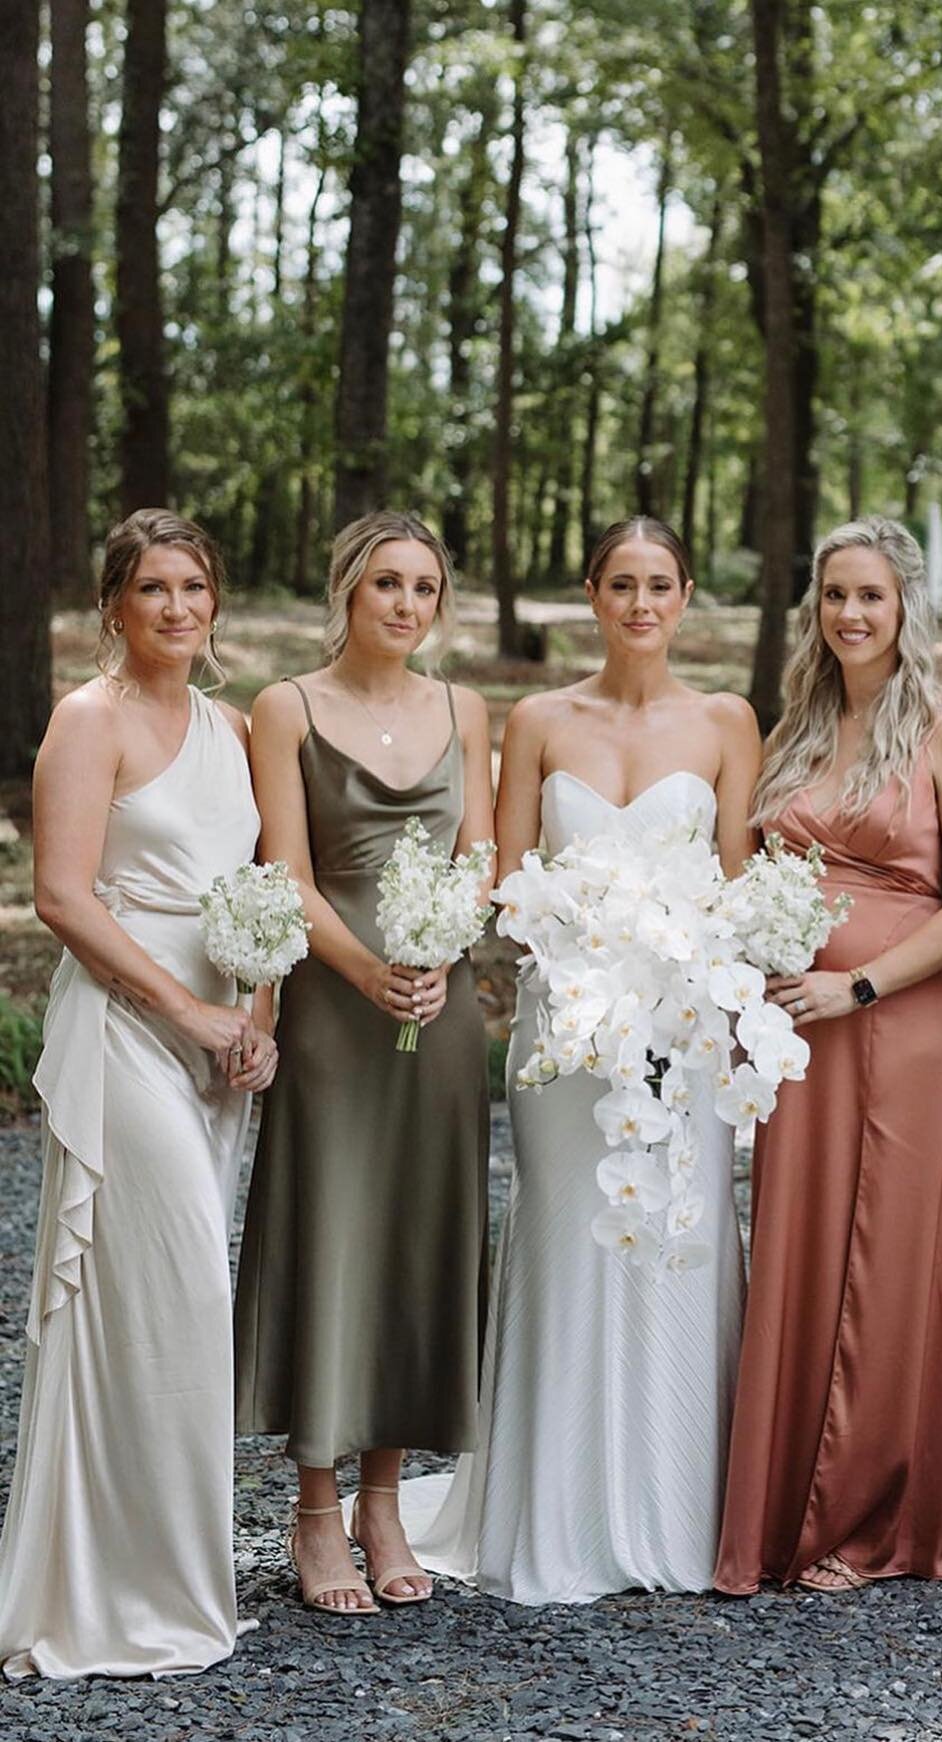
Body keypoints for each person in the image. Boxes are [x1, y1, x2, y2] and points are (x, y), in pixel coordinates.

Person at [395, 515, 761, 1604]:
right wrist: (571, 927)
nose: (640, 604)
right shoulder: (542, 718)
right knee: (567, 1232)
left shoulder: (727, 720)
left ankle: (676, 1502)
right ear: (592, 595)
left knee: (676, 1232)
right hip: (567, 1024)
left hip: (682, 1024)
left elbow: (736, 879)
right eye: (620, 584)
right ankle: (549, 1508)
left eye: (659, 584)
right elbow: (506, 874)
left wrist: (685, 949)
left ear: (685, 594)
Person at [714, 515, 942, 1595]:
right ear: (816, 607)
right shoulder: (795, 726)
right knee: (808, 1252)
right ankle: (790, 1495)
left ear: (906, 611)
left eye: (873, 597)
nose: (852, 614)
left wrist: (858, 983)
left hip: (904, 1025)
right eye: (835, 594)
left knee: (891, 1261)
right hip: (798, 1035)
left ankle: (879, 1513)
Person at [0, 510, 275, 1678]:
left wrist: (253, 1013)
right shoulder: (87, 719)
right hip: (125, 1030)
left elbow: (259, 886)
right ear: (112, 604)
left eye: (194, 587)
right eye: (152, 588)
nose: (176, 607)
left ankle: (166, 1569)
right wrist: (190, 1010)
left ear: (216, 604)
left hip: (218, 1041)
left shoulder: (236, 724)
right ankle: (116, 1592)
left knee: (165, 1305)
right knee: (178, 1295)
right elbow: (64, 895)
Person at [234, 510, 493, 1613]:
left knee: (411, 1238)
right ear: (346, 588)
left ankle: (386, 1498)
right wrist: (365, 969)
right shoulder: (283, 707)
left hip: (440, 1011)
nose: (405, 604)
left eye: (425, 587)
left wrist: (442, 950)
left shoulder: (465, 706)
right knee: (332, 1229)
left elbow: (480, 857)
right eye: (386, 582)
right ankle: (313, 1508)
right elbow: (285, 872)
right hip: (337, 1012)